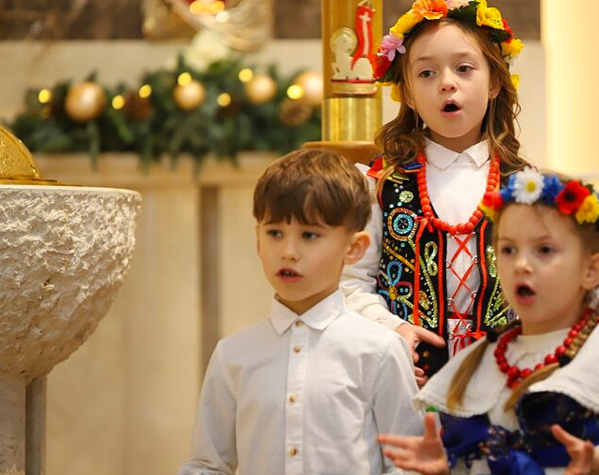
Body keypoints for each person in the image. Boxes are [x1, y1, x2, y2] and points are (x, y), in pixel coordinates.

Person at [379, 168, 599, 474]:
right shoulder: (476, 361)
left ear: (592, 269)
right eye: (507, 249)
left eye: (544, 249)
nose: (521, 264)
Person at [179, 149, 423, 475]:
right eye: (275, 233)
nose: (289, 252)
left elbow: (407, 466)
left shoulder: (380, 351)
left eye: (310, 235)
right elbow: (206, 465)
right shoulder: (233, 356)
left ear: (354, 248)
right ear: (257, 240)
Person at [341, 0, 529, 382]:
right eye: (427, 72)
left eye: (464, 68)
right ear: (407, 93)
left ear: (494, 82)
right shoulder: (378, 183)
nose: (447, 83)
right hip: (403, 378)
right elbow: (349, 283)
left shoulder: (527, 187)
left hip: (498, 382)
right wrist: (393, 331)